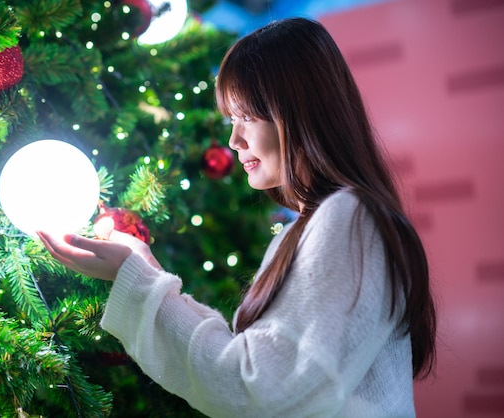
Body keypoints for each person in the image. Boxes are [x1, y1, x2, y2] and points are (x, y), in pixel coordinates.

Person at [37, 17, 437, 418]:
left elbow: (258, 388)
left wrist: (140, 280)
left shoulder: (348, 218)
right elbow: (253, 364)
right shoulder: (313, 227)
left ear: (300, 112)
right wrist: (146, 272)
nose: (234, 140)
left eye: (247, 116)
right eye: (232, 120)